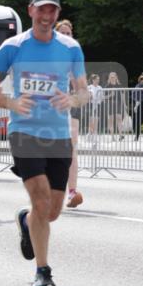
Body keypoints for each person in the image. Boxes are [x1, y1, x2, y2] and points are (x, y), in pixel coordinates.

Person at [0, 0, 89, 286]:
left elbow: (83, 91)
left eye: (52, 10)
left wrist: (72, 100)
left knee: (53, 211)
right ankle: (42, 270)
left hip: (57, 134)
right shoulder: (12, 47)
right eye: (41, 9)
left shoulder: (70, 48)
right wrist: (12, 103)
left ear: (57, 13)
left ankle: (27, 221)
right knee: (41, 200)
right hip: (24, 132)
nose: (46, 15)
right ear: (30, 11)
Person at [54, 19, 83, 209]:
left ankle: (72, 192)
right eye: (62, 33)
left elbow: (79, 86)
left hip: (64, 110)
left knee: (71, 149)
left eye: (69, 33)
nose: (66, 36)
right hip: (43, 110)